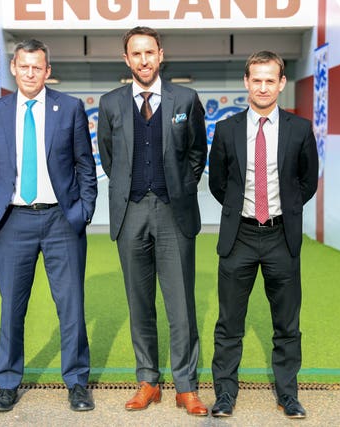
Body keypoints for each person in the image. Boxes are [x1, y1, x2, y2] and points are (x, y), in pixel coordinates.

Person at [0, 38, 97, 413]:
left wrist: (81, 213)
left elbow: (85, 167)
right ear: (14, 68)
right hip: (14, 222)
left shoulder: (70, 108)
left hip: (62, 220)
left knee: (71, 306)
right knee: (12, 306)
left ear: (47, 70)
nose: (30, 73)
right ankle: (7, 383)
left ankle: (77, 383)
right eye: (23, 66)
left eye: (37, 67)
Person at [97, 26, 208, 416]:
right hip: (130, 213)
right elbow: (109, 159)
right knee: (139, 303)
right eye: (136, 54)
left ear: (161, 54)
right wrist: (133, 191)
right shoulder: (110, 104)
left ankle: (186, 386)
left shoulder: (187, 99)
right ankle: (148, 380)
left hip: (173, 213)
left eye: (149, 52)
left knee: (181, 305)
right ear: (126, 60)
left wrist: (177, 189)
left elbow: (197, 154)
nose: (143, 60)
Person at [208, 51, 318, 419]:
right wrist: (244, 212)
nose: (263, 86)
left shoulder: (300, 129)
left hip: (280, 237)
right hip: (238, 236)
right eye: (256, 79)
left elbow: (306, 181)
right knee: (229, 324)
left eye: (270, 80)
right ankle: (224, 395)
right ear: (246, 82)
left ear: (282, 83)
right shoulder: (226, 130)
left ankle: (288, 395)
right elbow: (218, 183)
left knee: (287, 323)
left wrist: (281, 210)